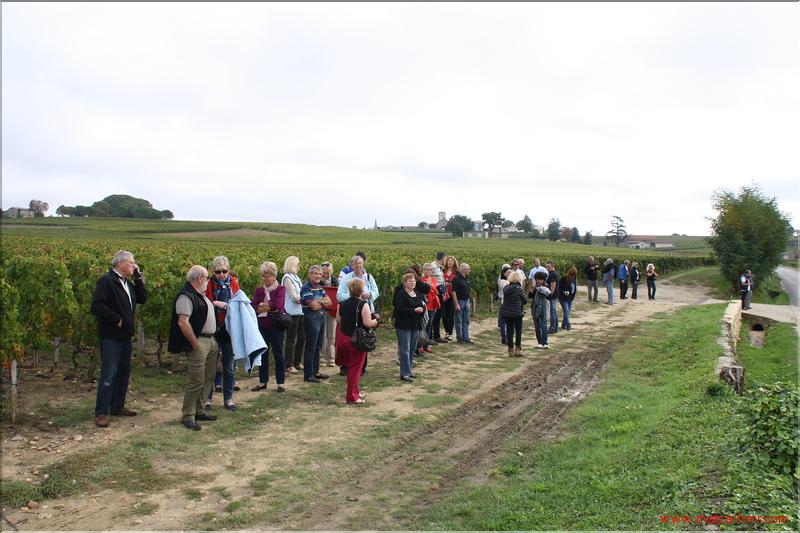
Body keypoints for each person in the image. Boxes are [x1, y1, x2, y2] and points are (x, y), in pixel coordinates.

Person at [90, 250, 148, 428]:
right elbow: (96, 306)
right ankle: (101, 412)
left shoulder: (128, 284)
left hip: (125, 336)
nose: (134, 266)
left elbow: (143, 298)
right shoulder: (106, 281)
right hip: (111, 336)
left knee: (124, 371)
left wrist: (138, 277)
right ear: (120, 263)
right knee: (109, 374)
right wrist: (117, 319)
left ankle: (117, 406)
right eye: (131, 263)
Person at [167, 265, 219, 431]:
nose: (208, 281)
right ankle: (188, 415)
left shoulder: (199, 295)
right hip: (199, 341)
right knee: (196, 379)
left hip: (210, 340)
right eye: (207, 278)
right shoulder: (186, 296)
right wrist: (194, 343)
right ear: (199, 278)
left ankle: (200, 410)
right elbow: (183, 321)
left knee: (208, 377)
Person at [205, 256, 240, 412]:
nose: (221, 274)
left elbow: (239, 299)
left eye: (224, 271)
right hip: (213, 328)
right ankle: (207, 399)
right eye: (218, 271)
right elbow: (204, 300)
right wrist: (216, 303)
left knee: (229, 366)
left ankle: (228, 398)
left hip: (229, 328)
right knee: (210, 366)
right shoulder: (209, 284)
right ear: (214, 271)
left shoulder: (232, 282)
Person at [336, 278, 378, 404]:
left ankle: (355, 391)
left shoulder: (342, 304)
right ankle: (351, 397)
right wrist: (375, 321)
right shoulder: (362, 304)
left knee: (350, 367)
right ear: (361, 290)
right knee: (356, 368)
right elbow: (367, 323)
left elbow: (338, 320)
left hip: (343, 338)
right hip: (356, 340)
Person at [336, 255, 380, 376]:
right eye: (355, 264)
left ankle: (361, 367)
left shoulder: (369, 277)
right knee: (348, 338)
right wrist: (356, 297)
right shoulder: (347, 278)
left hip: (365, 311)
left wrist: (370, 294)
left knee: (363, 337)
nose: (358, 266)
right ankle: (345, 366)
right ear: (351, 266)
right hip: (350, 311)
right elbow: (339, 295)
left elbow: (376, 292)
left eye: (360, 263)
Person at [250, 261, 287, 393]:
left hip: (276, 326)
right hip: (262, 326)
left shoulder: (281, 289)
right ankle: (262, 381)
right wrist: (264, 306)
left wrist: (263, 305)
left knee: (278, 354)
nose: (265, 278)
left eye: (267, 275)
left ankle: (280, 382)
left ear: (274, 275)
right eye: (263, 276)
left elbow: (277, 305)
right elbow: (253, 306)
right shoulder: (259, 290)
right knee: (263, 354)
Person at [300, 265, 333, 383]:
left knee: (318, 346)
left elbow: (330, 302)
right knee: (311, 347)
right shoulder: (305, 288)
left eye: (320, 274)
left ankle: (316, 371)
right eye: (316, 274)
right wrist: (321, 302)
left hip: (320, 317)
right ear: (309, 274)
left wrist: (319, 302)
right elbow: (313, 306)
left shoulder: (319, 287)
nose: (318, 276)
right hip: (311, 318)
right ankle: (308, 375)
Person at [394, 272, 425, 382]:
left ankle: (409, 371)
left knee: (412, 349)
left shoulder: (417, 294)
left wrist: (421, 310)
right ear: (405, 283)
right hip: (403, 326)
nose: (412, 282)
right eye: (410, 280)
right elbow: (400, 309)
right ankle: (404, 374)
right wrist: (414, 310)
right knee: (405, 350)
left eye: (414, 280)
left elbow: (422, 306)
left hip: (415, 325)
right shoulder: (401, 294)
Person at [281, 256, 305, 374]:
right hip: (292, 312)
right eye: (298, 264)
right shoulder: (287, 278)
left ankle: (297, 361)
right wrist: (307, 299)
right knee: (291, 338)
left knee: (302, 337)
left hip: (299, 311)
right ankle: (288, 364)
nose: (299, 266)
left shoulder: (296, 277)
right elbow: (294, 296)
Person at [500, 270, 527, 356]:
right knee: (518, 331)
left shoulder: (506, 288)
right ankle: (517, 350)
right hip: (517, 312)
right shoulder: (519, 288)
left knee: (509, 330)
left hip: (507, 312)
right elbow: (525, 300)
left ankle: (510, 349)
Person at [319, 261, 338, 368]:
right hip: (321, 310)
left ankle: (331, 358)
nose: (326, 275)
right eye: (324, 273)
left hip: (332, 311)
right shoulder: (318, 282)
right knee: (323, 335)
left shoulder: (335, 281)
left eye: (328, 273)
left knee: (332, 336)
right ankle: (321, 359)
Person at [420, 263, 441, 354]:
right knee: (422, 325)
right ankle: (420, 345)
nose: (427, 271)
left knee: (429, 324)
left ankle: (426, 344)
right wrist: (429, 287)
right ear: (423, 270)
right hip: (424, 305)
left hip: (432, 305)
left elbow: (435, 291)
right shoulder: (421, 280)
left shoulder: (433, 279)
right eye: (425, 269)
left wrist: (430, 287)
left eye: (429, 270)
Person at [530, 271, 551, 349]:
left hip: (544, 308)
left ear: (543, 280)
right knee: (537, 326)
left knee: (544, 325)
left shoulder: (546, 287)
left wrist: (541, 289)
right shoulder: (535, 287)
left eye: (540, 279)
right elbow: (530, 296)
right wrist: (532, 290)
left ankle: (545, 342)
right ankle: (539, 342)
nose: (538, 281)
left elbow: (549, 296)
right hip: (535, 308)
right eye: (537, 279)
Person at [453, 263, 473, 343]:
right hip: (460, 301)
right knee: (458, 320)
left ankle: (466, 337)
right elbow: (453, 292)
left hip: (467, 301)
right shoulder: (456, 279)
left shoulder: (467, 278)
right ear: (463, 270)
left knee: (466, 320)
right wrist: (456, 303)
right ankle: (460, 337)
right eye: (468, 269)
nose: (469, 271)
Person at [441, 255, 459, 342]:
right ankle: (446, 331)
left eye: (452, 261)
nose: (450, 262)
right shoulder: (442, 271)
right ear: (446, 262)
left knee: (451, 315)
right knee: (444, 315)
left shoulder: (456, 273)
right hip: (444, 295)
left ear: (454, 262)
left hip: (452, 295)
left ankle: (450, 333)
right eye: (449, 261)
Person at [429, 252, 447, 343]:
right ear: (442, 258)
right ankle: (431, 337)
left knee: (438, 315)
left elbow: (441, 281)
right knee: (434, 316)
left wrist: (444, 293)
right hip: (435, 294)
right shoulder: (432, 266)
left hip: (440, 293)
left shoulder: (440, 267)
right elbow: (430, 280)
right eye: (445, 258)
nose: (445, 260)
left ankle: (436, 336)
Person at [497, 264, 512, 345]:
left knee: (508, 322)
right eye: (508, 272)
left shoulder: (510, 281)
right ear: (504, 273)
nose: (510, 273)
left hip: (510, 303)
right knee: (503, 322)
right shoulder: (503, 281)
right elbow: (507, 289)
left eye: (511, 272)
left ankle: (507, 337)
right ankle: (504, 337)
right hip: (505, 303)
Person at [545, 261, 559, 334]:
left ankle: (552, 327)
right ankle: (555, 327)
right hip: (553, 295)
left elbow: (553, 286)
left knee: (552, 312)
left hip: (552, 296)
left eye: (548, 266)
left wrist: (550, 295)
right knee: (553, 311)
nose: (547, 268)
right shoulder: (550, 273)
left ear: (552, 266)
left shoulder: (553, 274)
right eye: (546, 266)